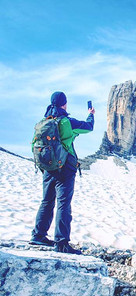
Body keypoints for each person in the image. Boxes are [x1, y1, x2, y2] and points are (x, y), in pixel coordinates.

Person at [30, 91, 95, 254]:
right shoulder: (67, 122)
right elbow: (89, 128)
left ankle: (38, 235)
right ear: (64, 104)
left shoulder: (43, 122)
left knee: (46, 201)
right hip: (65, 167)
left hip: (48, 168)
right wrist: (91, 115)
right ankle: (61, 243)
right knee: (63, 203)